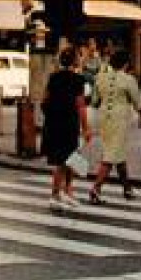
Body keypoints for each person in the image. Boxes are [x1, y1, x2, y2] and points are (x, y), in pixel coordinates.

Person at [89, 48, 141, 202]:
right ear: (126, 64)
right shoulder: (129, 79)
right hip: (120, 119)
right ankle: (96, 188)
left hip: (103, 119)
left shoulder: (99, 77)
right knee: (111, 155)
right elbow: (138, 103)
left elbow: (94, 102)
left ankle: (127, 188)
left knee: (117, 152)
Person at [40, 46, 91, 211]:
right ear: (75, 60)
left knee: (68, 159)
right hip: (69, 123)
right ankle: (55, 195)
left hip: (54, 123)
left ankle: (67, 192)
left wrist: (51, 115)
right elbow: (80, 105)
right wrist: (86, 127)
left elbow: (44, 101)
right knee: (64, 160)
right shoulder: (78, 80)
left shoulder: (53, 77)